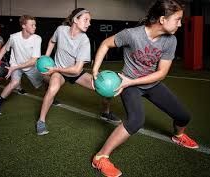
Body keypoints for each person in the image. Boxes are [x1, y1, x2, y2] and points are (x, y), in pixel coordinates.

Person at [91, 0, 199, 176]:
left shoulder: (170, 41)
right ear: (163, 19)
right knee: (136, 121)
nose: (180, 23)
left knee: (183, 116)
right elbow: (105, 44)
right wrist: (95, 71)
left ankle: (178, 136)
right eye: (177, 19)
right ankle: (101, 157)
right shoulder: (132, 35)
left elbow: (162, 73)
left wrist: (130, 82)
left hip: (146, 83)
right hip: (129, 83)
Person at [36, 8, 121, 136]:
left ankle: (106, 112)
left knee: (105, 87)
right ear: (75, 20)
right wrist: (46, 59)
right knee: (53, 88)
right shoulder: (60, 30)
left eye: (90, 21)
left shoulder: (84, 40)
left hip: (76, 74)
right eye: (86, 20)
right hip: (59, 72)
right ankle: (41, 121)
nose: (89, 23)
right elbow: (52, 41)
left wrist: (55, 69)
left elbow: (76, 69)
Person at [0, 15, 43, 115]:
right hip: (15, 64)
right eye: (32, 25)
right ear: (23, 26)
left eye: (35, 25)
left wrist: (14, 68)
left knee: (42, 84)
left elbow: (33, 61)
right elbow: (4, 48)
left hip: (30, 66)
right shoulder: (14, 37)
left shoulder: (37, 39)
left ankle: (50, 98)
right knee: (14, 83)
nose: (34, 27)